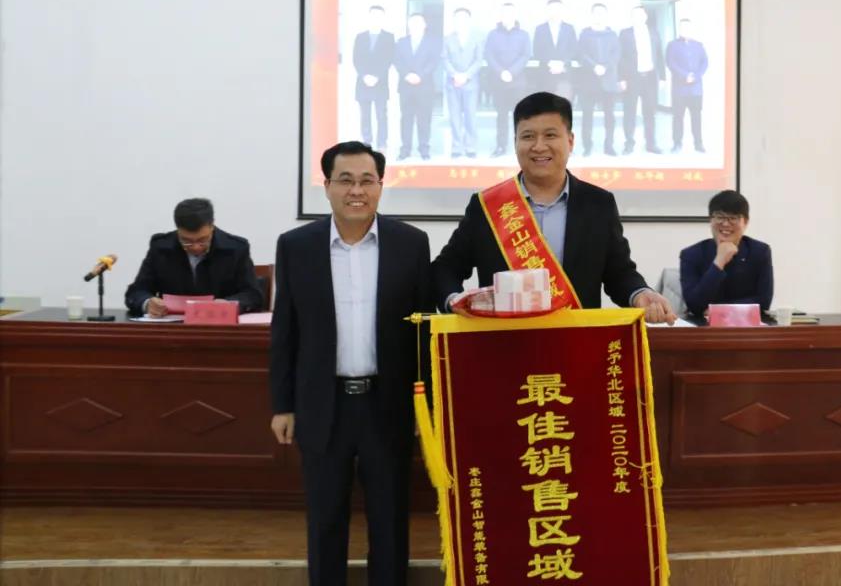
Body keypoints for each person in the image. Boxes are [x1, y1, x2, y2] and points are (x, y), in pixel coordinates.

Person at [269, 141, 431, 586]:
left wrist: (426, 407)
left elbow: (423, 331)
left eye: (366, 181)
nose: (356, 190)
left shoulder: (411, 244)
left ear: (380, 185)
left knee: (390, 521)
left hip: (388, 405)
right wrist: (283, 405)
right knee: (325, 520)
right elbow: (285, 329)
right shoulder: (297, 246)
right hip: (324, 405)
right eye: (345, 180)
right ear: (327, 187)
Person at [432, 91, 676, 324]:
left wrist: (640, 293)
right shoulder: (487, 206)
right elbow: (446, 268)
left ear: (570, 141)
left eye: (550, 135)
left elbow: (619, 273)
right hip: (503, 342)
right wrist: (454, 301)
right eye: (528, 136)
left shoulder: (598, 204)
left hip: (575, 344)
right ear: (515, 142)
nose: (539, 146)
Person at [124, 198, 262, 316]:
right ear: (178, 230)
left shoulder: (235, 249)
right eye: (186, 241)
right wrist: (147, 303)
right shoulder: (161, 248)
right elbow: (136, 291)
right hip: (173, 328)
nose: (195, 247)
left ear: (212, 226)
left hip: (219, 327)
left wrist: (229, 304)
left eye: (203, 240)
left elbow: (252, 294)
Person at [679, 190, 773, 319]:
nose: (726, 224)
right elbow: (694, 305)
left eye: (733, 218)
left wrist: (720, 311)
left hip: (747, 326)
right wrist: (719, 262)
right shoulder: (691, 255)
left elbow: (764, 301)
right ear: (711, 220)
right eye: (720, 217)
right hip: (704, 328)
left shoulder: (760, 252)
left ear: (745, 222)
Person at [483, 2, 531, 157]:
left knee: (521, 117)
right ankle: (501, 146)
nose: (508, 16)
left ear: (515, 15)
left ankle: (522, 147)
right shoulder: (493, 34)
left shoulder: (523, 35)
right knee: (501, 116)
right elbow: (489, 55)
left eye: (510, 13)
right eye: (505, 13)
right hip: (499, 81)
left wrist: (511, 72)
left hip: (518, 82)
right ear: (501, 15)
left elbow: (526, 55)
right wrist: (501, 72)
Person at [618, 6, 665, 155]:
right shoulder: (625, 34)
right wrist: (621, 78)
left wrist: (662, 77)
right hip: (632, 78)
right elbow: (620, 57)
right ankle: (629, 143)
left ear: (645, 16)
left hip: (650, 77)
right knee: (629, 112)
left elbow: (659, 55)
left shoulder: (654, 32)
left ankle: (651, 143)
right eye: (634, 15)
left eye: (640, 14)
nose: (637, 17)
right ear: (631, 18)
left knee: (650, 112)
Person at [393, 13, 441, 160]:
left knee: (424, 119)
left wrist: (420, 76)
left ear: (424, 25)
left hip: (425, 86)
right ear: (408, 25)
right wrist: (407, 75)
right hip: (406, 86)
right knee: (406, 119)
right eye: (412, 23)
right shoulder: (401, 42)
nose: (415, 26)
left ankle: (424, 149)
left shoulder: (433, 42)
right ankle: (405, 149)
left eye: (418, 23)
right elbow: (397, 61)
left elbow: (434, 62)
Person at [576, 3, 621, 156]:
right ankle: (587, 146)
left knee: (610, 116)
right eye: (596, 13)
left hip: (608, 81)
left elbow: (616, 54)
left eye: (602, 13)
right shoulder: (585, 34)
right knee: (587, 115)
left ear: (606, 15)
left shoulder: (612, 35)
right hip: (589, 81)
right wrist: (594, 66)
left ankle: (609, 146)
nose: (599, 16)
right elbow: (581, 54)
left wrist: (605, 67)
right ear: (592, 15)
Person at [352, 5, 396, 150]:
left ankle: (382, 143)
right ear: (369, 17)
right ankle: (367, 142)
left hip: (380, 82)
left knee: (381, 115)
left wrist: (377, 77)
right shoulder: (360, 37)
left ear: (383, 18)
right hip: (363, 82)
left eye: (379, 15)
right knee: (365, 115)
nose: (376, 18)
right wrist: (364, 76)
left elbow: (389, 59)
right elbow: (356, 59)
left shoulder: (389, 37)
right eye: (373, 15)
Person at [443, 7, 483, 158]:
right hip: (452, 83)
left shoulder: (477, 38)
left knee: (470, 116)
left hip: (471, 83)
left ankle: (470, 146)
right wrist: (455, 75)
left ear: (469, 20)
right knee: (454, 117)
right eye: (457, 18)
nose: (460, 21)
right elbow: (445, 60)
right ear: (454, 20)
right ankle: (456, 147)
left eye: (463, 18)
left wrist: (466, 76)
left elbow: (479, 60)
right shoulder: (447, 39)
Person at [665, 18, 709, 153]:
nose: (685, 30)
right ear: (679, 29)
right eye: (683, 27)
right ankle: (677, 144)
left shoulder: (699, 45)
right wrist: (685, 75)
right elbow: (671, 63)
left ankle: (698, 144)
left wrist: (696, 76)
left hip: (696, 89)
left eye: (687, 27)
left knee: (696, 117)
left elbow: (705, 62)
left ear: (691, 29)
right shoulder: (672, 45)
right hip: (679, 89)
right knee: (678, 117)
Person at [531, 0, 577, 98]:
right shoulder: (540, 29)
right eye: (551, 9)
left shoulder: (569, 29)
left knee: (563, 104)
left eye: (557, 9)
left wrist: (561, 64)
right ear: (547, 11)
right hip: (545, 73)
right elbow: (537, 51)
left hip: (564, 74)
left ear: (562, 10)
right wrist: (550, 63)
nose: (555, 12)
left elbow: (573, 50)